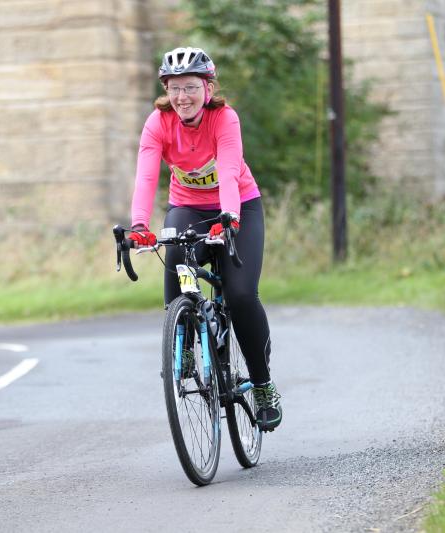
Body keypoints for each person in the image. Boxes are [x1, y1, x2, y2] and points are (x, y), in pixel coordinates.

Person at [127, 46, 282, 431]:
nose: (183, 96)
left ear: (208, 88)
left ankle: (262, 385)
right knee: (175, 249)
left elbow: (229, 169)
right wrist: (138, 225)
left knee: (242, 295)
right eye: (175, 88)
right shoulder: (158, 123)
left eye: (191, 87)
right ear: (166, 89)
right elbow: (146, 176)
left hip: (239, 206)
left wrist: (229, 215)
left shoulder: (224, 119)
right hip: (188, 206)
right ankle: (183, 342)